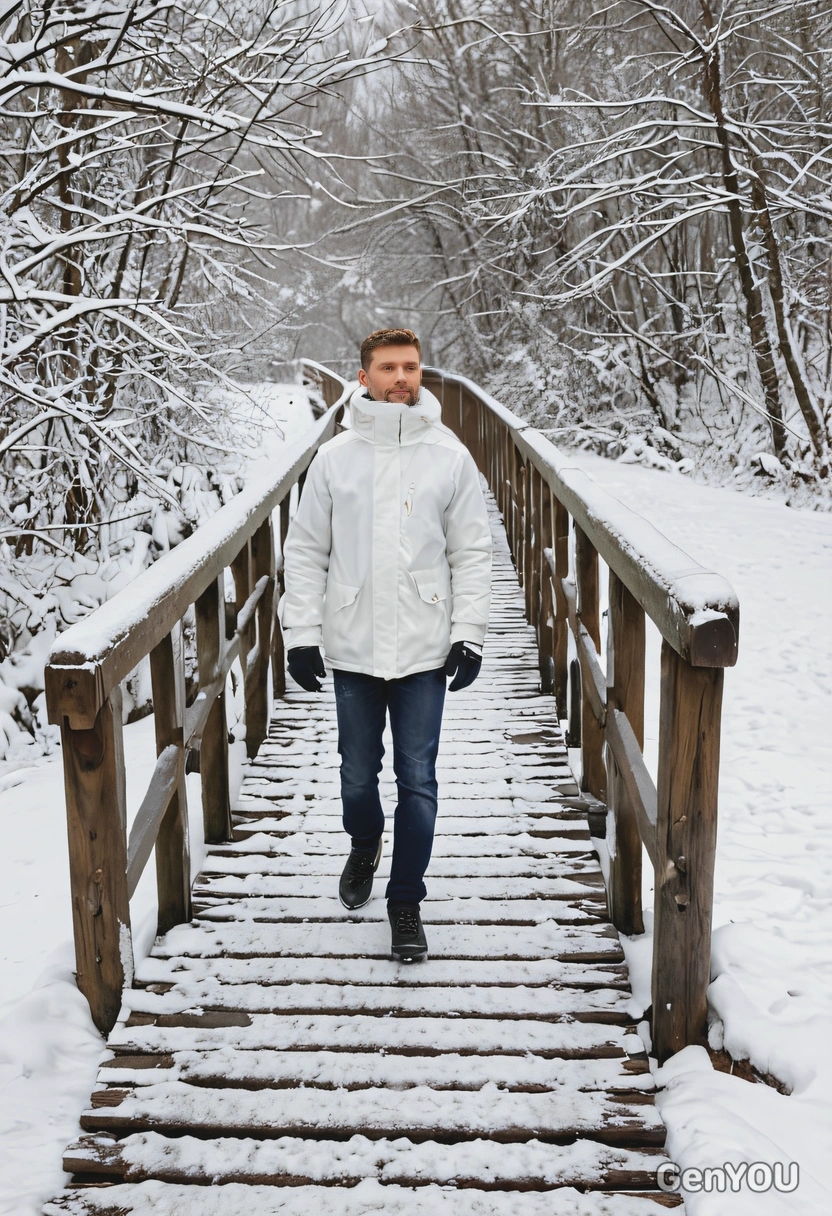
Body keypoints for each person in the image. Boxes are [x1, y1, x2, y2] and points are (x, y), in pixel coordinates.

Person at [279, 328, 492, 961]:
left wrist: (469, 635)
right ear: (364, 376)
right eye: (388, 368)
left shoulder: (450, 457)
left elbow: (473, 554)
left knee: (418, 778)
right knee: (355, 776)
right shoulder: (334, 459)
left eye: (411, 367)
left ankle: (405, 902)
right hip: (353, 642)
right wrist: (302, 635)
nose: (402, 377)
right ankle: (364, 840)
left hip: (426, 645)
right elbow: (305, 551)